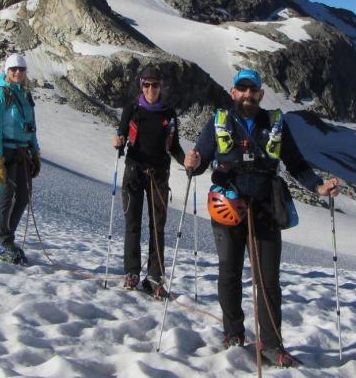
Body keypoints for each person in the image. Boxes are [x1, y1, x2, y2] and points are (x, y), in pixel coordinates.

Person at [184, 68, 341, 368]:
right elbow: (201, 158)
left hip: (266, 207)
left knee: (268, 280)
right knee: (229, 272)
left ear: (260, 94)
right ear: (233, 92)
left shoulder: (275, 124)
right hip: (227, 205)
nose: (247, 95)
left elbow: (295, 163)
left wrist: (319, 186)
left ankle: (271, 344)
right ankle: (233, 332)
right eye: (241, 89)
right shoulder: (220, 121)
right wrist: (193, 162)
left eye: (252, 90)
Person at [111, 65, 186, 298]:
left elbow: (173, 146)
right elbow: (122, 135)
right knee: (133, 223)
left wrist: (187, 161)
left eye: (155, 84)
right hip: (134, 170)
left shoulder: (168, 113)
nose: (151, 89)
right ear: (141, 85)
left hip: (159, 174)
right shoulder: (131, 109)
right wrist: (118, 140)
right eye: (147, 84)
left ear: (160, 85)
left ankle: (154, 276)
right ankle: (132, 272)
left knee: (157, 227)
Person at [0, 54, 41, 265]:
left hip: (22, 153)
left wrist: (35, 152)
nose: (17, 72)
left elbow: (31, 127)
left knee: (23, 197)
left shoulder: (25, 95)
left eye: (21, 69)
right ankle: (3, 241)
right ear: (7, 72)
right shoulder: (1, 95)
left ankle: (7, 238)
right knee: (7, 196)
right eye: (13, 69)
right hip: (7, 153)